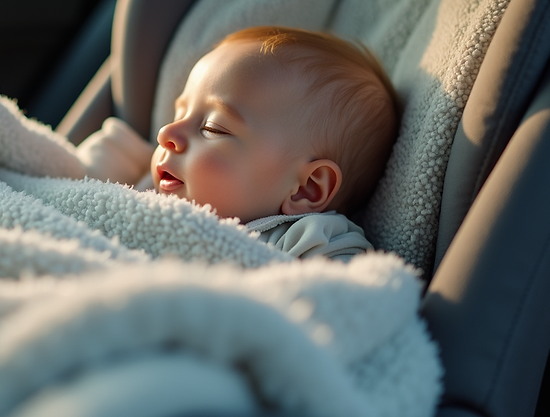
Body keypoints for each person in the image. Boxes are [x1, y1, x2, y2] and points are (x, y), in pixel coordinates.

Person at [77, 26, 400, 261]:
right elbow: (79, 193)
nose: (167, 134)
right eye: (180, 113)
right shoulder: (144, 185)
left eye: (212, 128)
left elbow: (346, 303)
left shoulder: (310, 242)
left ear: (306, 189)